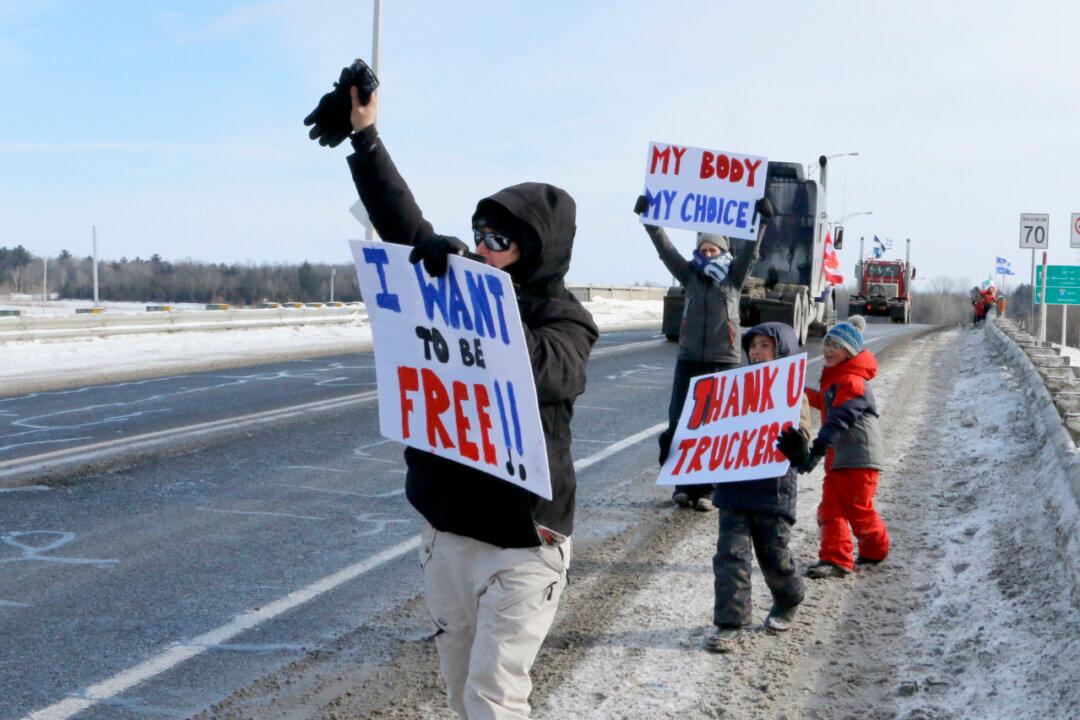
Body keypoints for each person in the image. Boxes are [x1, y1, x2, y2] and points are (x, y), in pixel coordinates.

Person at [342, 86, 598, 719]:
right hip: (448, 532)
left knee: (492, 697)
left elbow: (546, 369)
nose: (483, 249)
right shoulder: (466, 290)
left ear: (535, 252)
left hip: (521, 543)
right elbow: (407, 230)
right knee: (461, 692)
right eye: (480, 235)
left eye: (500, 242)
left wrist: (483, 297)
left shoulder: (566, 321)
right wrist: (366, 139)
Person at [636, 196, 772, 511]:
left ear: (724, 252)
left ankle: (709, 490)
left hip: (723, 360)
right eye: (703, 250)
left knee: (714, 429)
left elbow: (751, 251)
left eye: (713, 250)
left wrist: (761, 222)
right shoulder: (691, 275)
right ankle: (684, 485)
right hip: (689, 361)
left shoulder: (734, 277)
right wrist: (650, 221)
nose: (707, 254)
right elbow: (666, 252)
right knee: (681, 423)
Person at [706, 322, 810, 653]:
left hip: (773, 490)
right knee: (730, 556)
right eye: (753, 346)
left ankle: (789, 597)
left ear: (783, 350)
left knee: (773, 555)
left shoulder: (794, 393)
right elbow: (710, 429)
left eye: (765, 345)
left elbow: (804, 433)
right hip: (735, 488)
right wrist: (678, 442)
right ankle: (730, 622)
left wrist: (800, 446)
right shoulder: (733, 390)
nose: (756, 352)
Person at [793, 315, 889, 578]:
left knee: (858, 510)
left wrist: (816, 451)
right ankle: (836, 559)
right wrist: (795, 391)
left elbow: (838, 419)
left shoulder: (853, 383)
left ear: (850, 352)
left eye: (836, 345)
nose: (828, 349)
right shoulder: (837, 380)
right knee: (830, 508)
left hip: (859, 459)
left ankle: (875, 550)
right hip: (839, 460)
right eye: (827, 343)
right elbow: (822, 402)